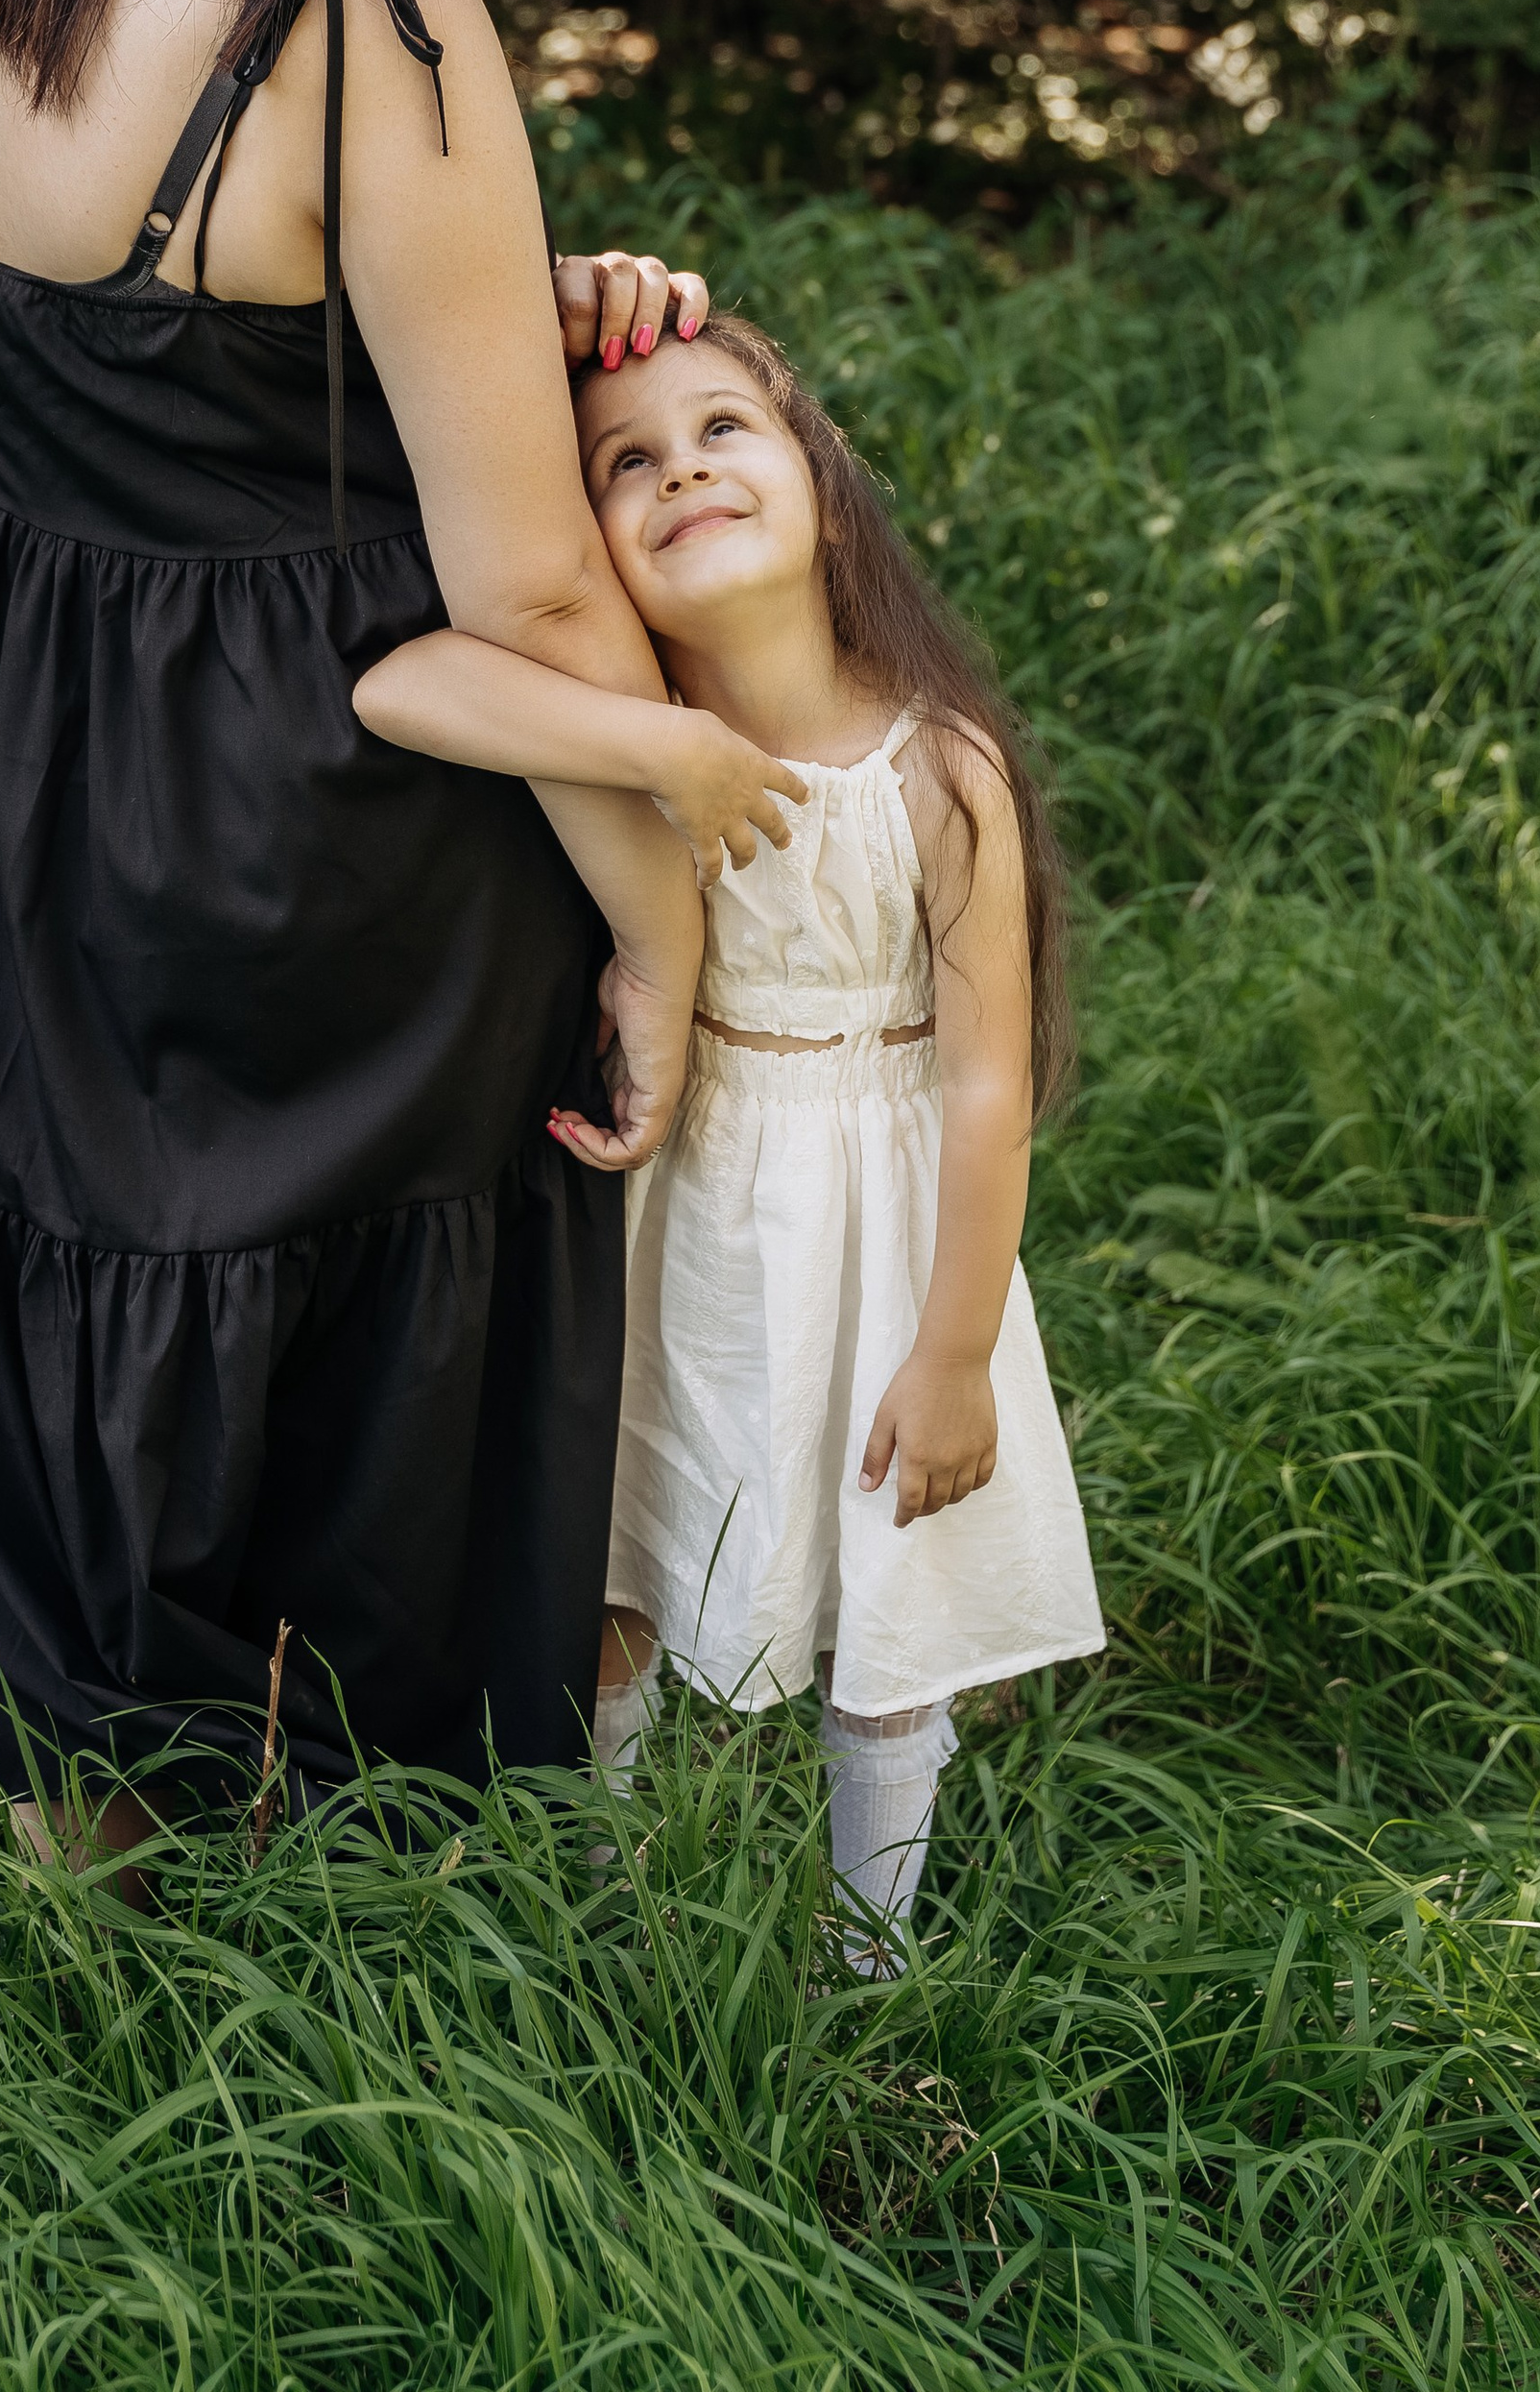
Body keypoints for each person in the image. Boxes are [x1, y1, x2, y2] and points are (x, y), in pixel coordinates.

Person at [0, 0, 712, 1885]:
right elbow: (536, 575)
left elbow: (157, 350)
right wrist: (663, 916)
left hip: (32, 725)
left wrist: (475, 287)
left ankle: (80, 1778)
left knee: (76, 1197)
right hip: (308, 779)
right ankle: (374, 1809)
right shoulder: (363, 16)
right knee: (387, 1219)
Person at [355, 312, 1107, 1958]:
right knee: (628, 1532)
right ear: (592, 555)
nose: (680, 468)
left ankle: (871, 1947)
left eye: (722, 433)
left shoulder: (936, 771)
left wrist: (960, 1352)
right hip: (679, 1214)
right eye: (626, 466)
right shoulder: (620, 744)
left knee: (878, 1586)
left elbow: (987, 1087)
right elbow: (395, 682)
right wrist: (653, 743)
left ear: (826, 495)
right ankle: (609, 1920)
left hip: (879, 1231)